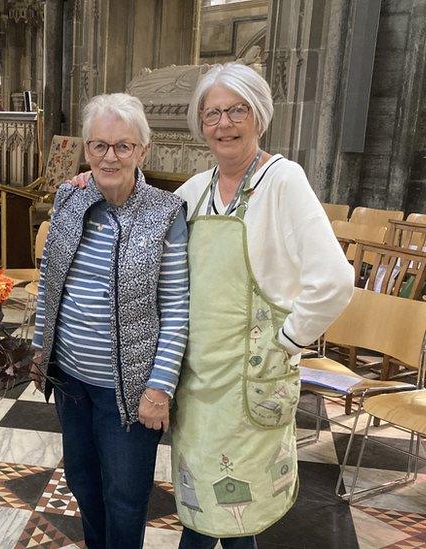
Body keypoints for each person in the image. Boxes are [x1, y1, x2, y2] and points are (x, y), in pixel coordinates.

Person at [67, 63, 354, 548]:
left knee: (241, 514)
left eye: (236, 110)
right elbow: (140, 203)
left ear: (258, 115)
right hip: (198, 383)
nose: (224, 124)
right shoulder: (195, 191)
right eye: (213, 113)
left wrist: (287, 339)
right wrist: (95, 180)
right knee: (201, 504)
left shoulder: (283, 181)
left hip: (251, 380)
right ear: (201, 124)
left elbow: (335, 280)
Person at [31, 92, 189, 549]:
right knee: (82, 483)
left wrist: (159, 388)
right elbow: (49, 283)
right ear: (86, 149)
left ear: (143, 150)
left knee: (124, 495)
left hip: (131, 391)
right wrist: (41, 352)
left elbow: (177, 309)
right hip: (70, 381)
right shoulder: (69, 197)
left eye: (122, 146)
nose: (109, 156)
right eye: (98, 145)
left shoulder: (165, 213)